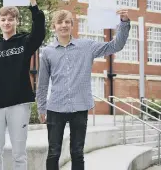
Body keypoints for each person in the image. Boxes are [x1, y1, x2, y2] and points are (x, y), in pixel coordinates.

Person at [37, 9, 130, 170]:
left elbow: (116, 46)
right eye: (60, 22)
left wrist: (123, 23)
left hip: (80, 107)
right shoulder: (47, 52)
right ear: (54, 26)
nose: (63, 25)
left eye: (67, 22)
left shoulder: (87, 46)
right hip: (55, 108)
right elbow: (43, 83)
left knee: (77, 152)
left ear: (72, 25)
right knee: (53, 152)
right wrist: (41, 107)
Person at [0, 0, 45, 170]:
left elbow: (39, 32)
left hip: (19, 103)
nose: (7, 22)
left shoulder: (25, 41)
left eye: (11, 19)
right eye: (3, 19)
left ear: (17, 21)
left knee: (19, 153)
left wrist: (33, 2)